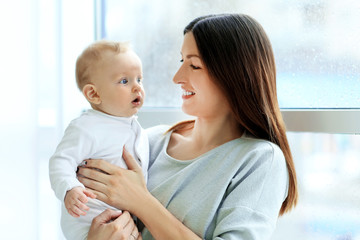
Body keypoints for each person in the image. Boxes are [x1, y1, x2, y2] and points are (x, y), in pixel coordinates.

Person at [78, 13, 298, 239]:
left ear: (234, 74)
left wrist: (140, 200)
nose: (177, 77)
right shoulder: (149, 141)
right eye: (181, 61)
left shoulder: (259, 160)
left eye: (194, 65)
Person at [49, 40, 149, 240]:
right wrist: (70, 188)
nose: (137, 87)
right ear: (94, 94)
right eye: (124, 81)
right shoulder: (86, 127)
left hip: (124, 222)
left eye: (139, 79)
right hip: (87, 220)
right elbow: (60, 161)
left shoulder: (137, 130)